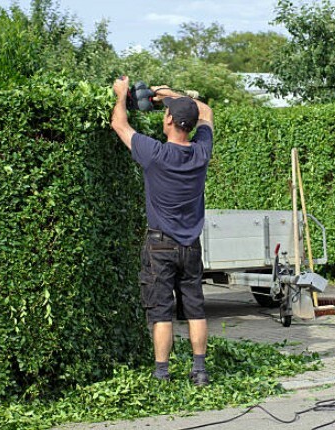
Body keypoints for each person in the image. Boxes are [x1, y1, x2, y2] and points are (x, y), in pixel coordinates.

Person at [111, 76, 214, 386]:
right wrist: (170, 96)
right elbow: (206, 111)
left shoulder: (154, 153)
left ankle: (162, 374)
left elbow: (119, 124)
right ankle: (199, 371)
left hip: (160, 245)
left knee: (161, 312)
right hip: (191, 245)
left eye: (168, 113)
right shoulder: (201, 152)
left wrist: (121, 94)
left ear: (168, 120)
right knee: (195, 309)